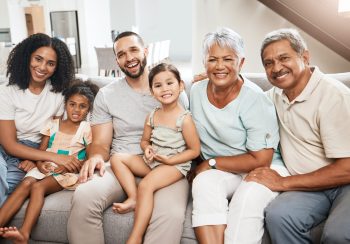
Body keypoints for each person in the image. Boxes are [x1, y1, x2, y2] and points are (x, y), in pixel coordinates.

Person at [67, 31, 190, 244]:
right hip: (121, 165)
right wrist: (96, 156)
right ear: (117, 61)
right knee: (84, 195)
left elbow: (187, 138)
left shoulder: (169, 88)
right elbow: (100, 143)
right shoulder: (107, 95)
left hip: (165, 167)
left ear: (145, 51)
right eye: (122, 54)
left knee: (169, 215)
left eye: (133, 50)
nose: (129, 58)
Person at [246, 28, 350, 243]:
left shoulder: (335, 96)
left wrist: (283, 183)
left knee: (338, 235)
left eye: (284, 58)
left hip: (346, 182)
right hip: (311, 186)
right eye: (268, 63)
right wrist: (212, 82)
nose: (276, 68)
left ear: (304, 56)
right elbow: (240, 99)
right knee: (279, 216)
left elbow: (347, 168)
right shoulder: (271, 98)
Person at [190, 27, 290, 244]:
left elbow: (261, 160)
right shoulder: (195, 91)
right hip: (227, 169)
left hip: (263, 166)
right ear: (204, 62)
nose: (219, 66)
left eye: (228, 59)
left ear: (241, 62)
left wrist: (211, 162)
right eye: (212, 59)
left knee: (245, 202)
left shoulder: (255, 99)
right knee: (204, 184)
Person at [111, 63, 200, 243]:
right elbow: (144, 140)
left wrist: (170, 160)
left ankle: (135, 236)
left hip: (174, 166)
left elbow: (194, 150)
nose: (164, 89)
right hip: (154, 162)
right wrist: (147, 149)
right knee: (117, 158)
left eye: (169, 83)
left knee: (145, 185)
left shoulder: (184, 119)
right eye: (158, 85)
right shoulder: (152, 115)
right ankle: (134, 197)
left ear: (181, 86)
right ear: (152, 91)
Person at [0, 80, 99, 243]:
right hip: (44, 166)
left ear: (89, 109)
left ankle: (24, 233)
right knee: (25, 184)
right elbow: (41, 151)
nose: (76, 110)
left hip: (66, 172)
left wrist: (69, 166)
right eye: (72, 104)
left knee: (38, 187)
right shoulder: (52, 124)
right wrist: (39, 164)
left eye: (83, 106)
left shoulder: (86, 129)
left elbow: (89, 158)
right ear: (65, 104)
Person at [0, 33, 80, 206]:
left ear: (57, 67)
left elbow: (53, 135)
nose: (42, 67)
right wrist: (53, 157)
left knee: (10, 187)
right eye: (38, 59)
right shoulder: (6, 92)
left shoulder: (59, 95)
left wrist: (36, 159)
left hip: (32, 152)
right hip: (5, 147)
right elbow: (9, 144)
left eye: (50, 63)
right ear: (27, 57)